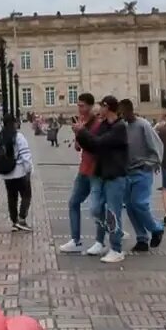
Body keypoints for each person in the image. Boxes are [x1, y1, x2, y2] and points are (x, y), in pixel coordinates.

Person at [75, 95, 130, 264]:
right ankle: (112, 235)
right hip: (101, 172)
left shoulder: (119, 127)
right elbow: (92, 144)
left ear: (108, 108)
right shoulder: (105, 125)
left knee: (113, 212)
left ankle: (116, 248)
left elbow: (100, 143)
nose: (99, 110)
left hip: (115, 174)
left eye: (102, 107)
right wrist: (81, 134)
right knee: (95, 208)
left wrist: (82, 132)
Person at [121, 98, 166, 251]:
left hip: (142, 170)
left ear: (130, 110)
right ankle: (141, 238)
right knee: (130, 206)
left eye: (123, 112)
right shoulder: (123, 126)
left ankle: (156, 228)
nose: (122, 115)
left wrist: (154, 162)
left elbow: (157, 144)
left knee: (140, 203)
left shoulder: (143, 125)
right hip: (127, 171)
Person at [58, 93, 100, 254]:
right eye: (78, 105)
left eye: (82, 105)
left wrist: (82, 132)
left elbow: (96, 145)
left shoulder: (97, 123)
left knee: (97, 208)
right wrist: (77, 133)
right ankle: (75, 240)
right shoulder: (80, 122)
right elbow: (78, 147)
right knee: (73, 203)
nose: (79, 108)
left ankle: (101, 240)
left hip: (96, 170)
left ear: (91, 106)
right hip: (84, 169)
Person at [0, 114, 34, 231]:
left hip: (7, 172)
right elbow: (25, 154)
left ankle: (14, 221)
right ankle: (22, 219)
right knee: (26, 195)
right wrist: (29, 169)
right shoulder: (18, 136)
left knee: (12, 197)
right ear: (14, 123)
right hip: (20, 171)